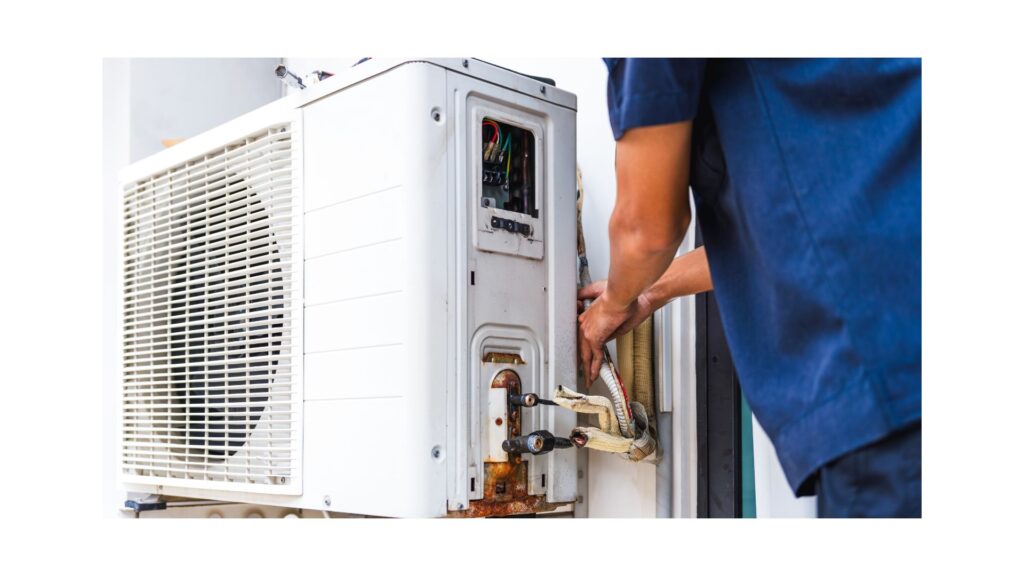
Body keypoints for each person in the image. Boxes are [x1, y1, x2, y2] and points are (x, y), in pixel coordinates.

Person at [578, 58, 921, 518]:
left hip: (883, 380)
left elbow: (646, 229)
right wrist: (648, 293)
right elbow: (789, 230)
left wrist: (610, 307)